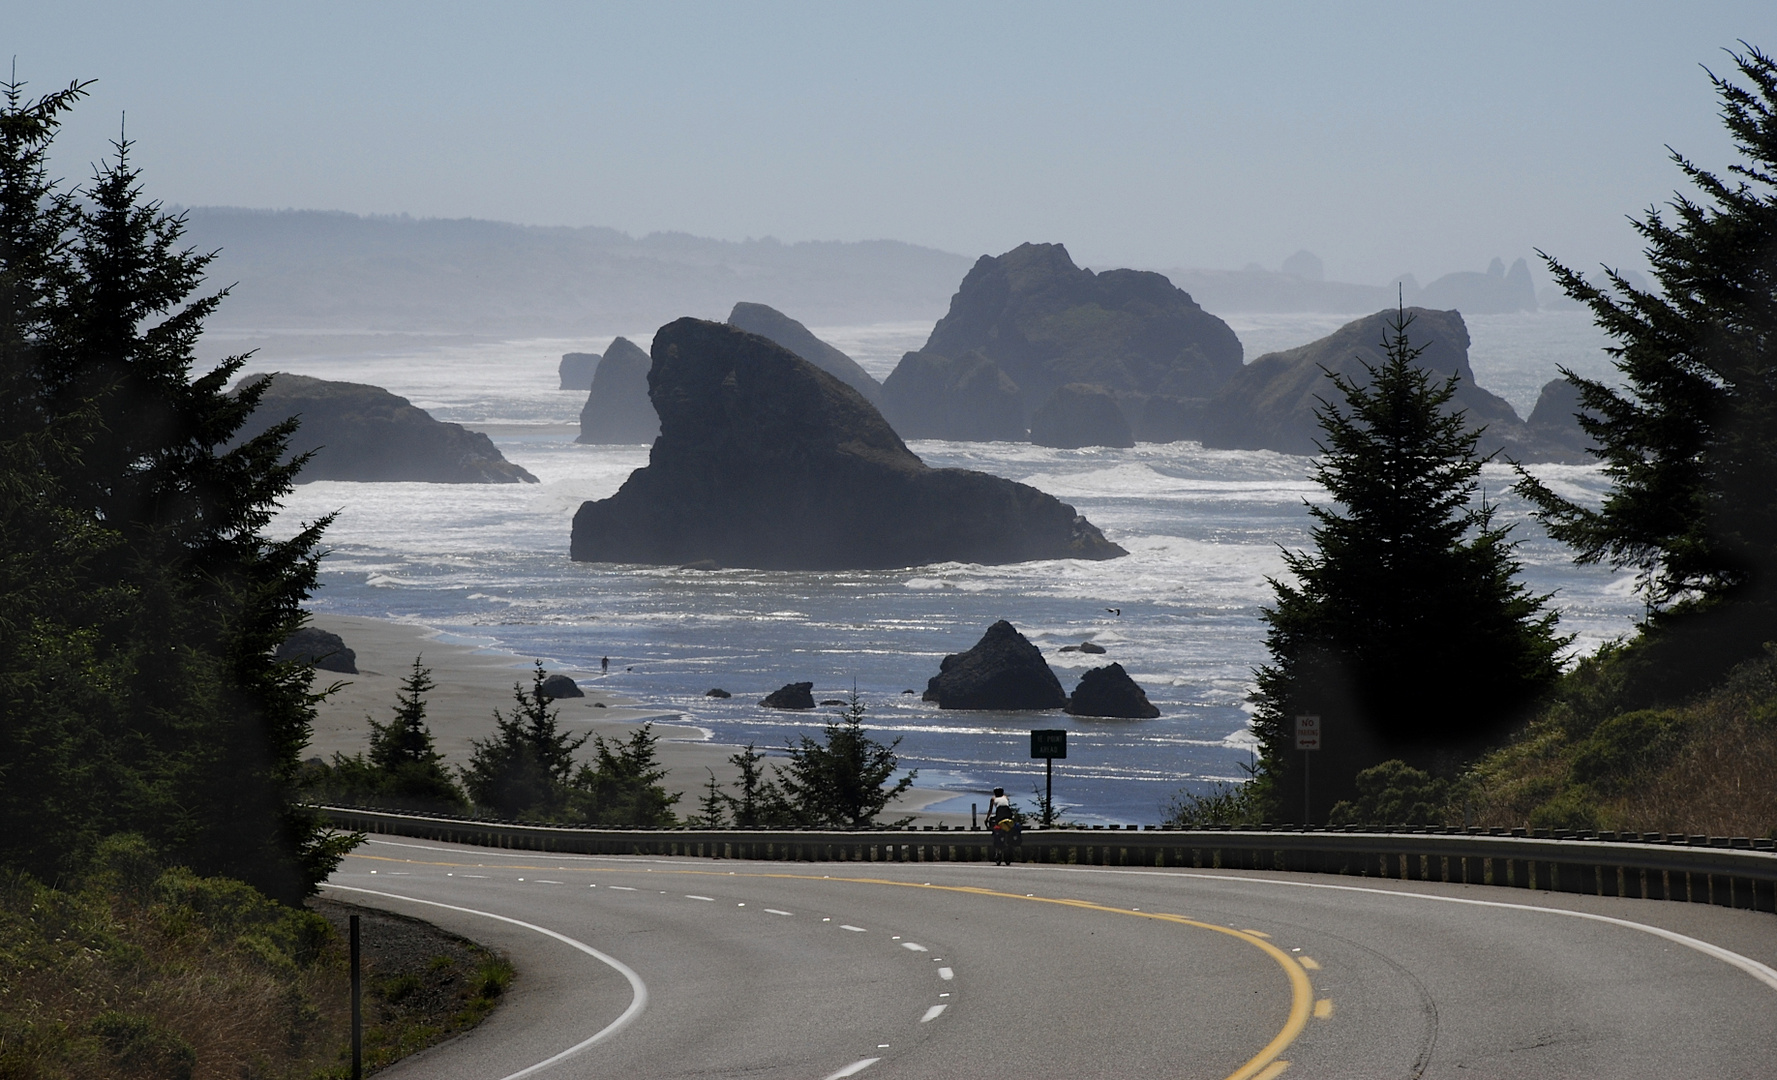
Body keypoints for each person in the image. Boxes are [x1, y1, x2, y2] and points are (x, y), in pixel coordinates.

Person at [989, 787, 1016, 865]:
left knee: (997, 831)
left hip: (1000, 815)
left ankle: (998, 851)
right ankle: (1008, 846)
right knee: (1008, 831)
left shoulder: (993, 799)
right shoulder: (1006, 797)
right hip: (1008, 815)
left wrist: (987, 818)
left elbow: (990, 810)